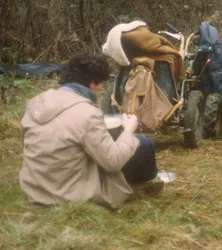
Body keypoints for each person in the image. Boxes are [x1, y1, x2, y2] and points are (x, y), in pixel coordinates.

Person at [19, 54, 160, 208]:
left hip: (36, 190)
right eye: (101, 84)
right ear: (92, 82)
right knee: (145, 144)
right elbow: (113, 162)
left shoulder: (36, 103)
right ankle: (144, 185)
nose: (101, 88)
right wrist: (128, 130)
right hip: (69, 195)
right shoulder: (87, 113)